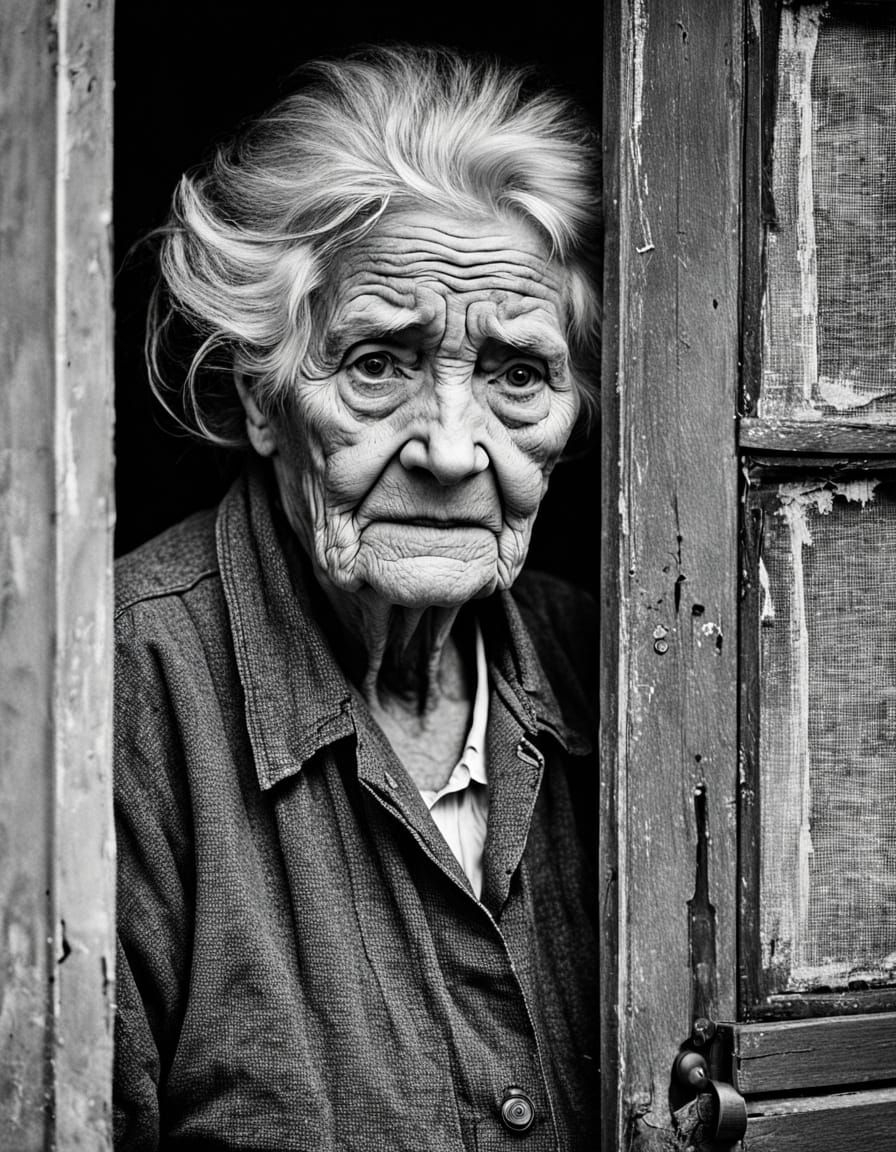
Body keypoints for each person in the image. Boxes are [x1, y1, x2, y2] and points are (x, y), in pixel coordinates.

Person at [113, 44, 600, 1150]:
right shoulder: (112, 699)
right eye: (379, 361)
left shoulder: (630, 665)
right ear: (262, 399)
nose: (448, 447)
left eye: (517, 375)